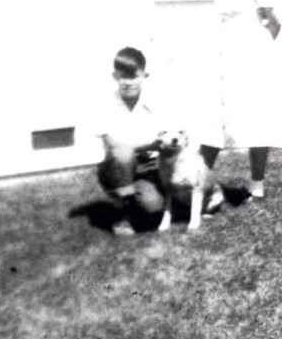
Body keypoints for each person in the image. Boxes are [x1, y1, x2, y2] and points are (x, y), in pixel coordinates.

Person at [199, 0, 282, 200]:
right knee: (213, 113)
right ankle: (196, 184)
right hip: (223, 46)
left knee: (255, 114)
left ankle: (257, 185)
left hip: (251, 49)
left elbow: (272, 20)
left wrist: (260, 50)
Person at [95, 46, 222, 235]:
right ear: (115, 76)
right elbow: (114, 145)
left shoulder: (155, 104)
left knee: (153, 207)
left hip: (149, 167)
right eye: (123, 76)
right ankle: (124, 217)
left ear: (144, 76)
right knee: (124, 153)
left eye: (134, 76)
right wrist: (150, 144)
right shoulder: (105, 104)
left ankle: (181, 201)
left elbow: (173, 135)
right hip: (117, 168)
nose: (128, 82)